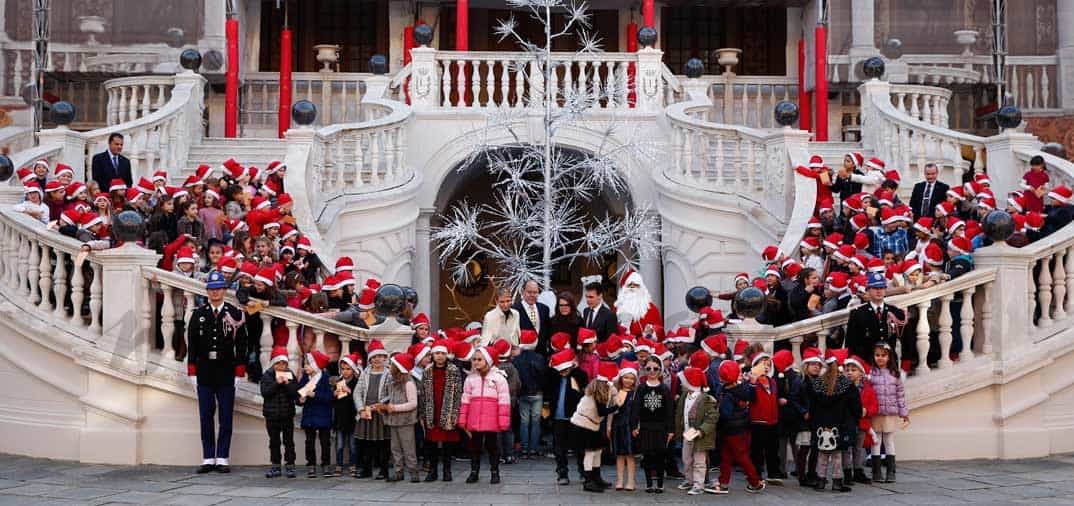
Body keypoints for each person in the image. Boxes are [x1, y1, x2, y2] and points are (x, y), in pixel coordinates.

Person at [186, 271, 248, 474]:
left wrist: (239, 371)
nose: (215, 292)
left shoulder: (235, 313)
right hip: (204, 371)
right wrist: (192, 371)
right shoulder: (199, 313)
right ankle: (208, 457)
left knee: (226, 416)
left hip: (225, 371)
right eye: (211, 289)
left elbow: (242, 344)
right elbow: (192, 344)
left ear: (224, 290)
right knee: (205, 415)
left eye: (218, 288)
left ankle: (222, 458)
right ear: (207, 291)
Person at [808, 350, 860, 492]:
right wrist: (855, 420)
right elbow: (856, 406)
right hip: (840, 425)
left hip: (821, 425)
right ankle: (837, 482)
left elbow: (811, 407)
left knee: (822, 454)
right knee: (837, 455)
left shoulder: (817, 383)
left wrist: (813, 424)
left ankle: (820, 481)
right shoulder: (847, 385)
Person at [458, 346, 511, 484]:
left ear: (488, 360)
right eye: (474, 359)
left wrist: (503, 421)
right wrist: (463, 418)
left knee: (492, 446)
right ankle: (474, 472)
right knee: (474, 446)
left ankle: (495, 472)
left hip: (491, 420)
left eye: (479, 359)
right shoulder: (470, 379)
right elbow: (465, 400)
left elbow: (504, 401)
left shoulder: (499, 378)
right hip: (475, 420)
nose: (476, 362)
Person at [714, 361, 765, 494]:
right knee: (727, 456)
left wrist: (716, 410)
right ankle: (723, 482)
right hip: (742, 427)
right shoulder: (743, 388)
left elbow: (725, 413)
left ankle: (755, 481)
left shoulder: (726, 393)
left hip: (730, 429)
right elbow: (753, 397)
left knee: (739, 456)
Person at [571, 362, 621, 493]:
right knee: (590, 452)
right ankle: (588, 481)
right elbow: (602, 411)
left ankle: (597, 477)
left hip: (593, 424)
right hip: (584, 424)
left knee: (598, 451)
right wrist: (617, 406)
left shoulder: (605, 386)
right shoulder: (599, 389)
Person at [421, 339, 463, 482]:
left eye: (442, 353)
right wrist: (423, 412)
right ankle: (433, 471)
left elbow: (458, 393)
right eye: (437, 353)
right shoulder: (427, 371)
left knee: (447, 443)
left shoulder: (454, 370)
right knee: (431, 442)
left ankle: (447, 470)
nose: (439, 356)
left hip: (448, 410)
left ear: (447, 355)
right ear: (432, 355)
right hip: (432, 410)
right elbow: (423, 392)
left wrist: (456, 412)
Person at [844, 272, 907, 364]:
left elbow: (906, 340)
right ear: (868, 290)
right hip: (867, 364)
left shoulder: (895, 312)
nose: (879, 291)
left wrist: (905, 364)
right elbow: (851, 344)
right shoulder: (857, 314)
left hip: (890, 364)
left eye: (881, 288)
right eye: (875, 288)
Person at [673, 367, 718, 496]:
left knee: (699, 461)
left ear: (691, 383)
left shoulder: (706, 399)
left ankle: (699, 484)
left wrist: (702, 430)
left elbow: (712, 417)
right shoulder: (684, 396)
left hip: (700, 436)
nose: (681, 384)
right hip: (687, 434)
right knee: (686, 459)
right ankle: (689, 479)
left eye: (684, 381)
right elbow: (680, 414)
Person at [546, 348, 588, 485]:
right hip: (558, 417)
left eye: (565, 369)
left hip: (575, 416)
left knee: (580, 446)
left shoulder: (580, 375)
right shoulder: (553, 376)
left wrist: (574, 378)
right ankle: (562, 473)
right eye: (560, 370)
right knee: (559, 448)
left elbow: (585, 395)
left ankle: (583, 472)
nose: (562, 372)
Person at [869, 342, 908, 483]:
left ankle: (891, 471)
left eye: (883, 355)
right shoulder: (870, 374)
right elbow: (867, 394)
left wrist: (904, 413)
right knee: (876, 441)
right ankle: (876, 472)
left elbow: (900, 395)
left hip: (890, 414)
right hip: (876, 414)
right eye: (877, 355)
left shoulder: (895, 374)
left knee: (889, 441)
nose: (880, 358)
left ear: (889, 357)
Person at [353, 339, 392, 479]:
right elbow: (357, 392)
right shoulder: (365, 373)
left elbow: (390, 393)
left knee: (382, 443)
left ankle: (383, 470)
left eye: (379, 356)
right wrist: (361, 409)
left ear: (385, 358)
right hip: (366, 412)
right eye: (373, 357)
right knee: (365, 443)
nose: (377, 359)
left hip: (380, 412)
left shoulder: (389, 374)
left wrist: (379, 404)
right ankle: (366, 469)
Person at [635, 357, 673, 493]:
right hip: (645, 426)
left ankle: (660, 484)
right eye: (649, 368)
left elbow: (669, 410)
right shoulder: (641, 388)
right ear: (645, 370)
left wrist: (671, 430)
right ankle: (649, 483)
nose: (652, 371)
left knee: (660, 455)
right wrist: (635, 425)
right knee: (647, 455)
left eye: (655, 368)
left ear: (660, 370)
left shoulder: (664, 389)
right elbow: (636, 408)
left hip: (661, 427)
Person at [261, 346, 300, 479]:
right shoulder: (267, 375)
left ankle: (290, 465)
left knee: (289, 441)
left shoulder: (290, 375)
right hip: (271, 416)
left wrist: (287, 384)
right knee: (274, 442)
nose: (281, 366)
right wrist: (276, 383)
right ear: (273, 363)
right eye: (278, 363)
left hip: (287, 414)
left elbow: (295, 393)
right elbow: (265, 393)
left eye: (284, 363)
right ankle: (275, 465)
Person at [746, 349, 783, 484]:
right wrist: (753, 382)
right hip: (757, 420)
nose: (766, 367)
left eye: (768, 364)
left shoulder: (772, 381)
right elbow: (750, 398)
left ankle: (773, 473)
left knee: (773, 448)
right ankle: (756, 473)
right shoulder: (750, 380)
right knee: (757, 450)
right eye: (763, 364)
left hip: (772, 420)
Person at [382, 352, 421, 482]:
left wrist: (395, 408)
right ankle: (398, 472)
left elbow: (413, 403)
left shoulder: (409, 383)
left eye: (393, 365)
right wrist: (383, 405)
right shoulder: (393, 382)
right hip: (394, 421)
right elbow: (390, 397)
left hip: (405, 421)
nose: (390, 367)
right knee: (395, 448)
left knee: (408, 448)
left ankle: (413, 472)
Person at [297, 350, 333, 478]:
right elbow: (299, 394)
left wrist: (315, 395)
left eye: (307, 364)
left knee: (325, 442)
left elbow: (330, 398)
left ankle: (326, 465)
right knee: (309, 442)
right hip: (309, 415)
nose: (305, 367)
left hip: (323, 415)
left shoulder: (325, 379)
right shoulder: (305, 379)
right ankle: (311, 465)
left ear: (316, 365)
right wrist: (300, 400)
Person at [513, 330, 548, 459]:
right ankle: (533, 449)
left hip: (523, 393)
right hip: (537, 393)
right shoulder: (539, 358)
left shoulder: (517, 359)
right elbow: (544, 376)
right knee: (535, 422)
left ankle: (523, 449)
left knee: (523, 422)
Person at [844, 355, 877, 485]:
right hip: (846, 424)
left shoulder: (867, 390)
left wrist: (867, 411)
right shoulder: (843, 388)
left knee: (858, 448)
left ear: (861, 372)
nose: (850, 372)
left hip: (861, 424)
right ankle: (846, 472)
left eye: (853, 370)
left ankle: (857, 471)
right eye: (848, 370)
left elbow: (874, 406)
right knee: (846, 449)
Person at [610, 361, 640, 491]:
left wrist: (638, 426)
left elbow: (639, 412)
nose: (628, 381)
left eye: (631, 378)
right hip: (618, 425)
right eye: (626, 377)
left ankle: (631, 481)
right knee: (619, 455)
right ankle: (620, 480)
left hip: (630, 426)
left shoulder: (635, 394)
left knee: (630, 455)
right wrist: (608, 426)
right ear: (621, 378)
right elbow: (612, 410)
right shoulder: (616, 392)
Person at [616, 270, 665, 341]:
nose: (632, 287)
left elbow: (659, 330)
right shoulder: (617, 308)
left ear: (642, 288)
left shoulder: (651, 308)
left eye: (636, 285)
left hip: (644, 346)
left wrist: (652, 330)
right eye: (629, 285)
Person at [333, 353, 360, 478]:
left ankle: (353, 465)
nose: (345, 372)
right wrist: (334, 394)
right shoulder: (338, 381)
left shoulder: (357, 382)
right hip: (340, 419)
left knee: (352, 444)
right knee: (339, 444)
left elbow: (359, 399)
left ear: (353, 369)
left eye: (348, 369)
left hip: (352, 419)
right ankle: (339, 465)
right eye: (343, 369)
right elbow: (333, 402)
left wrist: (351, 392)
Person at [514, 279, 551, 354]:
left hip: (542, 356)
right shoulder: (514, 310)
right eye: (529, 292)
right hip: (522, 356)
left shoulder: (544, 309)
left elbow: (547, 332)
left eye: (535, 292)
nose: (532, 295)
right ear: (522, 291)